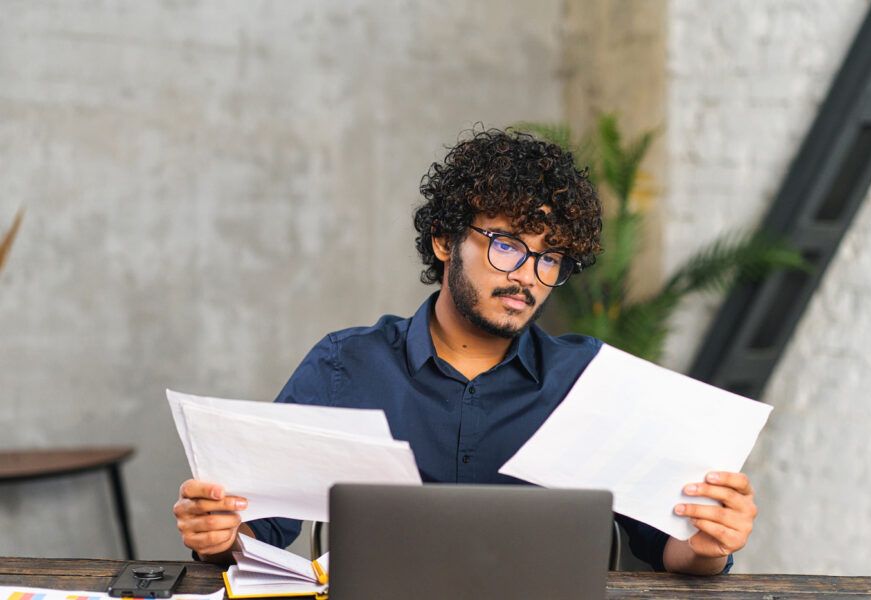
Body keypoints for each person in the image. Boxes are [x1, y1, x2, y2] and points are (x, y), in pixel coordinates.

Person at [173, 128, 757, 575]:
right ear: (445, 241)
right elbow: (257, 531)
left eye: (548, 257)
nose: (527, 275)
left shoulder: (588, 379)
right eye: (507, 244)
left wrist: (708, 545)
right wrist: (219, 534)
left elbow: (666, 548)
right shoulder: (346, 366)